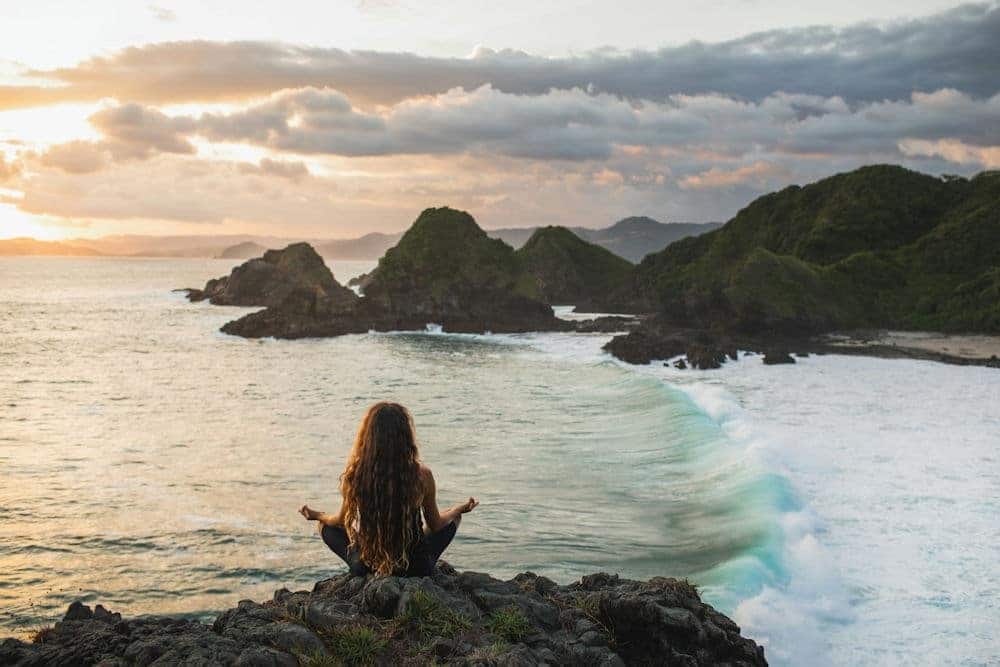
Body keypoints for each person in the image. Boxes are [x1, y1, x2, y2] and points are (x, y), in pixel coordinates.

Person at [299, 402, 478, 577]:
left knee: (325, 526)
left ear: (368, 437)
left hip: (367, 565)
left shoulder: (357, 474)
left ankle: (364, 564)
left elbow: (339, 521)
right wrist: (457, 510)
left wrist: (317, 515)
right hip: (417, 567)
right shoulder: (422, 475)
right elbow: (436, 524)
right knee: (452, 518)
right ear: (406, 436)